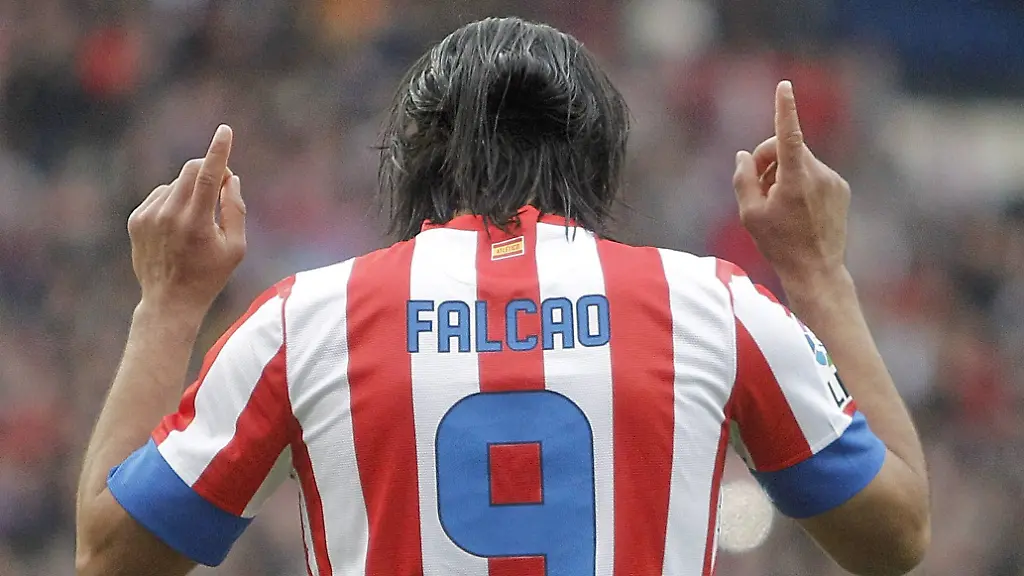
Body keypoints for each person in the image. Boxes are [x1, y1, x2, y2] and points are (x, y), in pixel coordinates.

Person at [74, 17, 930, 576]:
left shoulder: (306, 319)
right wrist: (817, 269)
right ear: (600, 166)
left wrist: (169, 303)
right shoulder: (710, 305)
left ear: (413, 163)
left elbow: (110, 556)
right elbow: (895, 536)